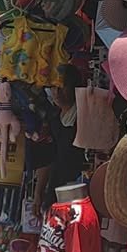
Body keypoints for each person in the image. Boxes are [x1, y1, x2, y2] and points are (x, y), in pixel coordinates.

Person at [31, 64, 87, 218]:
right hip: (55, 188)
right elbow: (46, 159)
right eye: (54, 87)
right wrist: (38, 193)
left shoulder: (84, 117)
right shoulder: (52, 118)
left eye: (62, 87)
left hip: (79, 190)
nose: (57, 92)